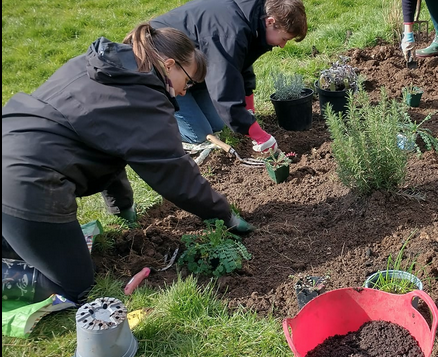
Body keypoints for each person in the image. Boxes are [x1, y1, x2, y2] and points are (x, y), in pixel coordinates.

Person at [2, 25, 253, 307]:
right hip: (28, 181)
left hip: (10, 148)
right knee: (75, 285)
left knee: (20, 244)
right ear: (169, 65)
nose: (185, 92)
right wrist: (224, 214)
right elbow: (176, 174)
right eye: (189, 81)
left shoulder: (105, 68)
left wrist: (121, 207)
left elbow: (106, 149)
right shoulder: (144, 100)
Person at [150, 0, 308, 152]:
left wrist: (248, 113)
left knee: (218, 123)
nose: (282, 45)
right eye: (284, 39)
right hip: (164, 70)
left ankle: (190, 96)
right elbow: (224, 94)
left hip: (192, 73)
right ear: (270, 21)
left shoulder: (251, 21)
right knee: (199, 135)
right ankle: (159, 123)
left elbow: (241, 67)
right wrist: (260, 136)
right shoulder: (229, 34)